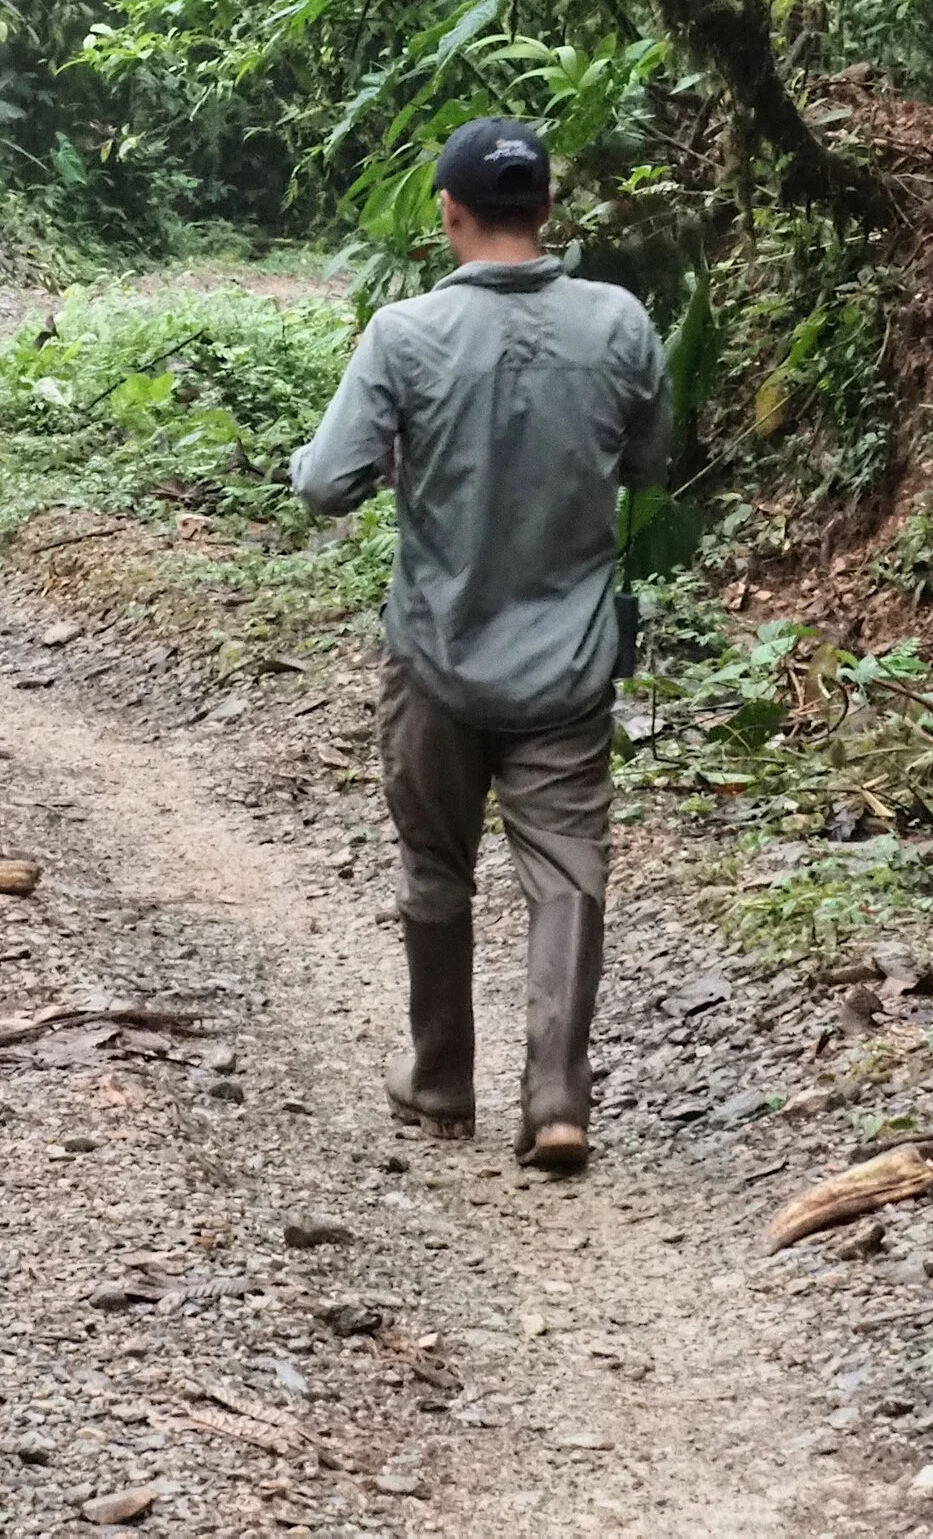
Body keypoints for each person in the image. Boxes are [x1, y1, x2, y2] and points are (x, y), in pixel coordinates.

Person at [289, 114, 673, 1172]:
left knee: (435, 862)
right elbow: (652, 461)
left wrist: (401, 463)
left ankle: (442, 1077)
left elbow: (326, 483)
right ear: (547, 211)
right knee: (567, 871)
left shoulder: (403, 336)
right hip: (568, 662)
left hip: (436, 656)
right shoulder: (619, 324)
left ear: (447, 217)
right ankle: (556, 1098)